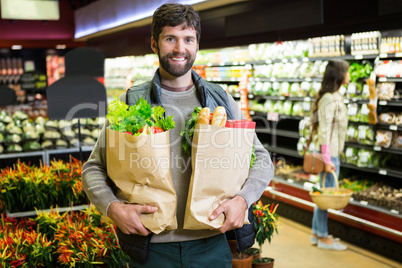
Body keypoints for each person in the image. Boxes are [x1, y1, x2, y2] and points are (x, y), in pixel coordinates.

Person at [82, 3, 274, 267]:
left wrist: (244, 200)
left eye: (188, 39)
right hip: (152, 250)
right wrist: (113, 208)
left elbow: (262, 160)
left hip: (212, 246)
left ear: (197, 45)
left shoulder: (222, 101)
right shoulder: (131, 101)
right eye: (170, 38)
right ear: (154, 43)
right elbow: (93, 168)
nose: (179, 48)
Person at [309, 60, 350, 250]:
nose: (349, 76)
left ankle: (317, 234)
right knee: (326, 196)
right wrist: (327, 160)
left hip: (331, 154)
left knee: (323, 195)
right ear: (339, 75)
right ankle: (323, 237)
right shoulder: (329, 99)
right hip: (329, 155)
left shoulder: (334, 96)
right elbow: (325, 131)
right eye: (347, 72)